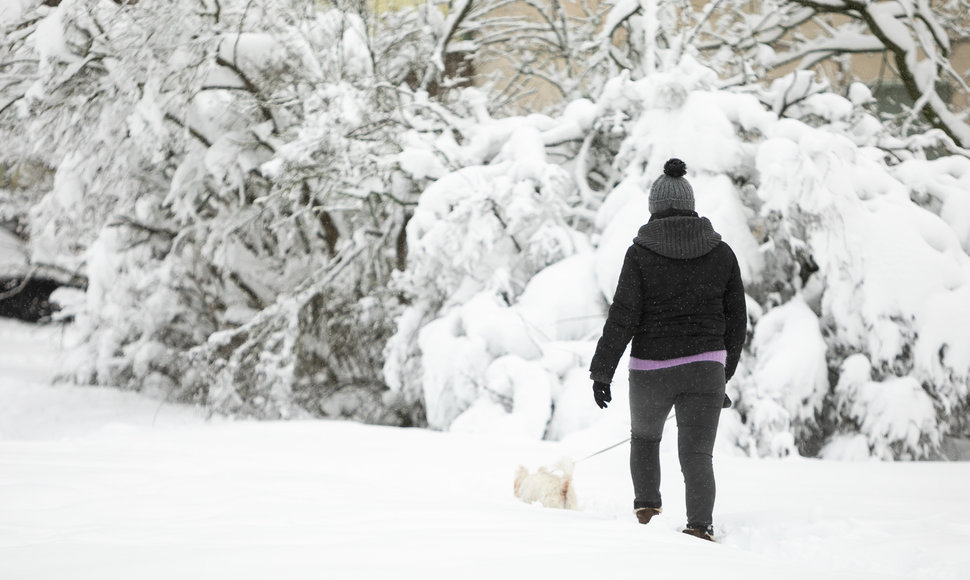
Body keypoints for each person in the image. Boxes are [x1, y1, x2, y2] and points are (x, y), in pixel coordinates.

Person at [589, 158, 747, 542]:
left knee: (645, 440)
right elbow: (737, 321)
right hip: (705, 368)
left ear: (654, 208)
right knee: (696, 456)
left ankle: (646, 516)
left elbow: (622, 317)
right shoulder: (721, 253)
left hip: (650, 370)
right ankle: (700, 527)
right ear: (691, 205)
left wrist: (602, 371)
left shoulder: (640, 254)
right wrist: (720, 374)